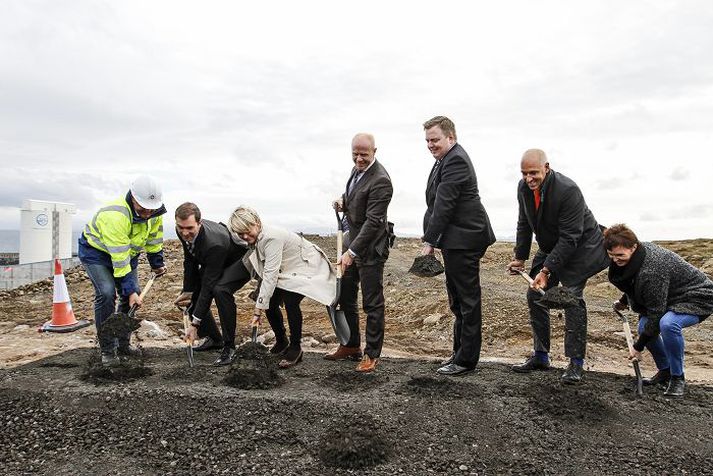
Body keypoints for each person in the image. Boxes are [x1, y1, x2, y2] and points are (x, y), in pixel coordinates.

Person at [507, 149, 610, 384]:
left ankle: (576, 363)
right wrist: (520, 257)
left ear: (547, 167)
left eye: (533, 173)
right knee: (535, 294)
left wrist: (546, 271)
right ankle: (541, 356)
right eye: (524, 174)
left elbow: (570, 237)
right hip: (552, 244)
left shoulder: (568, 190)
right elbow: (524, 222)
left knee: (571, 298)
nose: (528, 179)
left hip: (581, 247)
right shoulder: (523, 188)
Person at [420, 116, 496, 376]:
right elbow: (436, 203)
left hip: (465, 240)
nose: (430, 145)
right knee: (458, 300)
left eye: (435, 139)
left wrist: (430, 241)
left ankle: (465, 360)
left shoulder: (456, 160)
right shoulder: (444, 160)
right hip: (456, 240)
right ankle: (459, 352)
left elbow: (444, 205)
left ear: (450, 137)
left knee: (467, 300)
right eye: (428, 140)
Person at [605, 224, 713, 397]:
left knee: (668, 324)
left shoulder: (653, 268)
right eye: (611, 255)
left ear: (634, 247)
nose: (615, 260)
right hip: (669, 296)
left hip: (697, 296)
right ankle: (665, 371)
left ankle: (678, 378)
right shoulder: (635, 257)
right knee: (643, 327)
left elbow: (656, 312)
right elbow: (634, 283)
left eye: (620, 255)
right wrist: (624, 300)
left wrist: (637, 347)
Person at [229, 206, 336, 368]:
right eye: (240, 233)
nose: (245, 236)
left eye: (247, 230)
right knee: (270, 302)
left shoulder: (271, 238)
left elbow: (270, 274)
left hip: (307, 266)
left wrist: (258, 309)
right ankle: (281, 341)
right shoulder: (256, 237)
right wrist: (262, 299)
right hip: (287, 268)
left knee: (291, 300)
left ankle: (295, 348)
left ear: (257, 223)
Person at [78, 175, 166, 367]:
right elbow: (119, 259)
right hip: (97, 254)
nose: (146, 214)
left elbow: (153, 239)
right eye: (142, 209)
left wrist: (156, 263)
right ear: (133, 198)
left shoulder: (153, 213)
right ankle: (108, 350)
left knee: (128, 298)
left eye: (151, 210)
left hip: (128, 254)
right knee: (107, 293)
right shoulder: (115, 215)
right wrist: (132, 290)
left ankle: (123, 343)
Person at [325, 133, 393, 373]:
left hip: (371, 248)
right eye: (355, 153)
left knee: (372, 303)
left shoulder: (381, 180)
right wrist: (343, 201)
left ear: (375, 151)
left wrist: (351, 252)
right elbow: (357, 196)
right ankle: (351, 345)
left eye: (364, 154)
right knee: (345, 295)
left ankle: (371, 354)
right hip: (352, 242)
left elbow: (374, 222)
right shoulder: (356, 171)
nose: (359, 158)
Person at [174, 203, 250, 366]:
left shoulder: (213, 244)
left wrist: (194, 324)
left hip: (239, 260)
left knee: (220, 290)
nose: (184, 232)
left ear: (199, 223)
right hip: (215, 260)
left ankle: (229, 348)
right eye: (181, 227)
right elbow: (189, 260)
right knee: (194, 293)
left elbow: (208, 286)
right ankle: (215, 339)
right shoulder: (182, 230)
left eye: (189, 228)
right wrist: (188, 290)